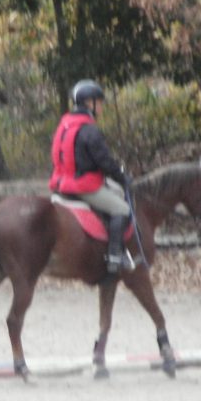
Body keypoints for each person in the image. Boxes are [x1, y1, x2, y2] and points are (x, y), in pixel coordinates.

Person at [49, 79, 133, 275]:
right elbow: (105, 162)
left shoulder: (64, 126)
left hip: (61, 184)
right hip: (83, 186)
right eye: (99, 102)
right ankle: (115, 256)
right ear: (89, 103)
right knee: (122, 208)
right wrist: (123, 178)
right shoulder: (89, 130)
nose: (101, 107)